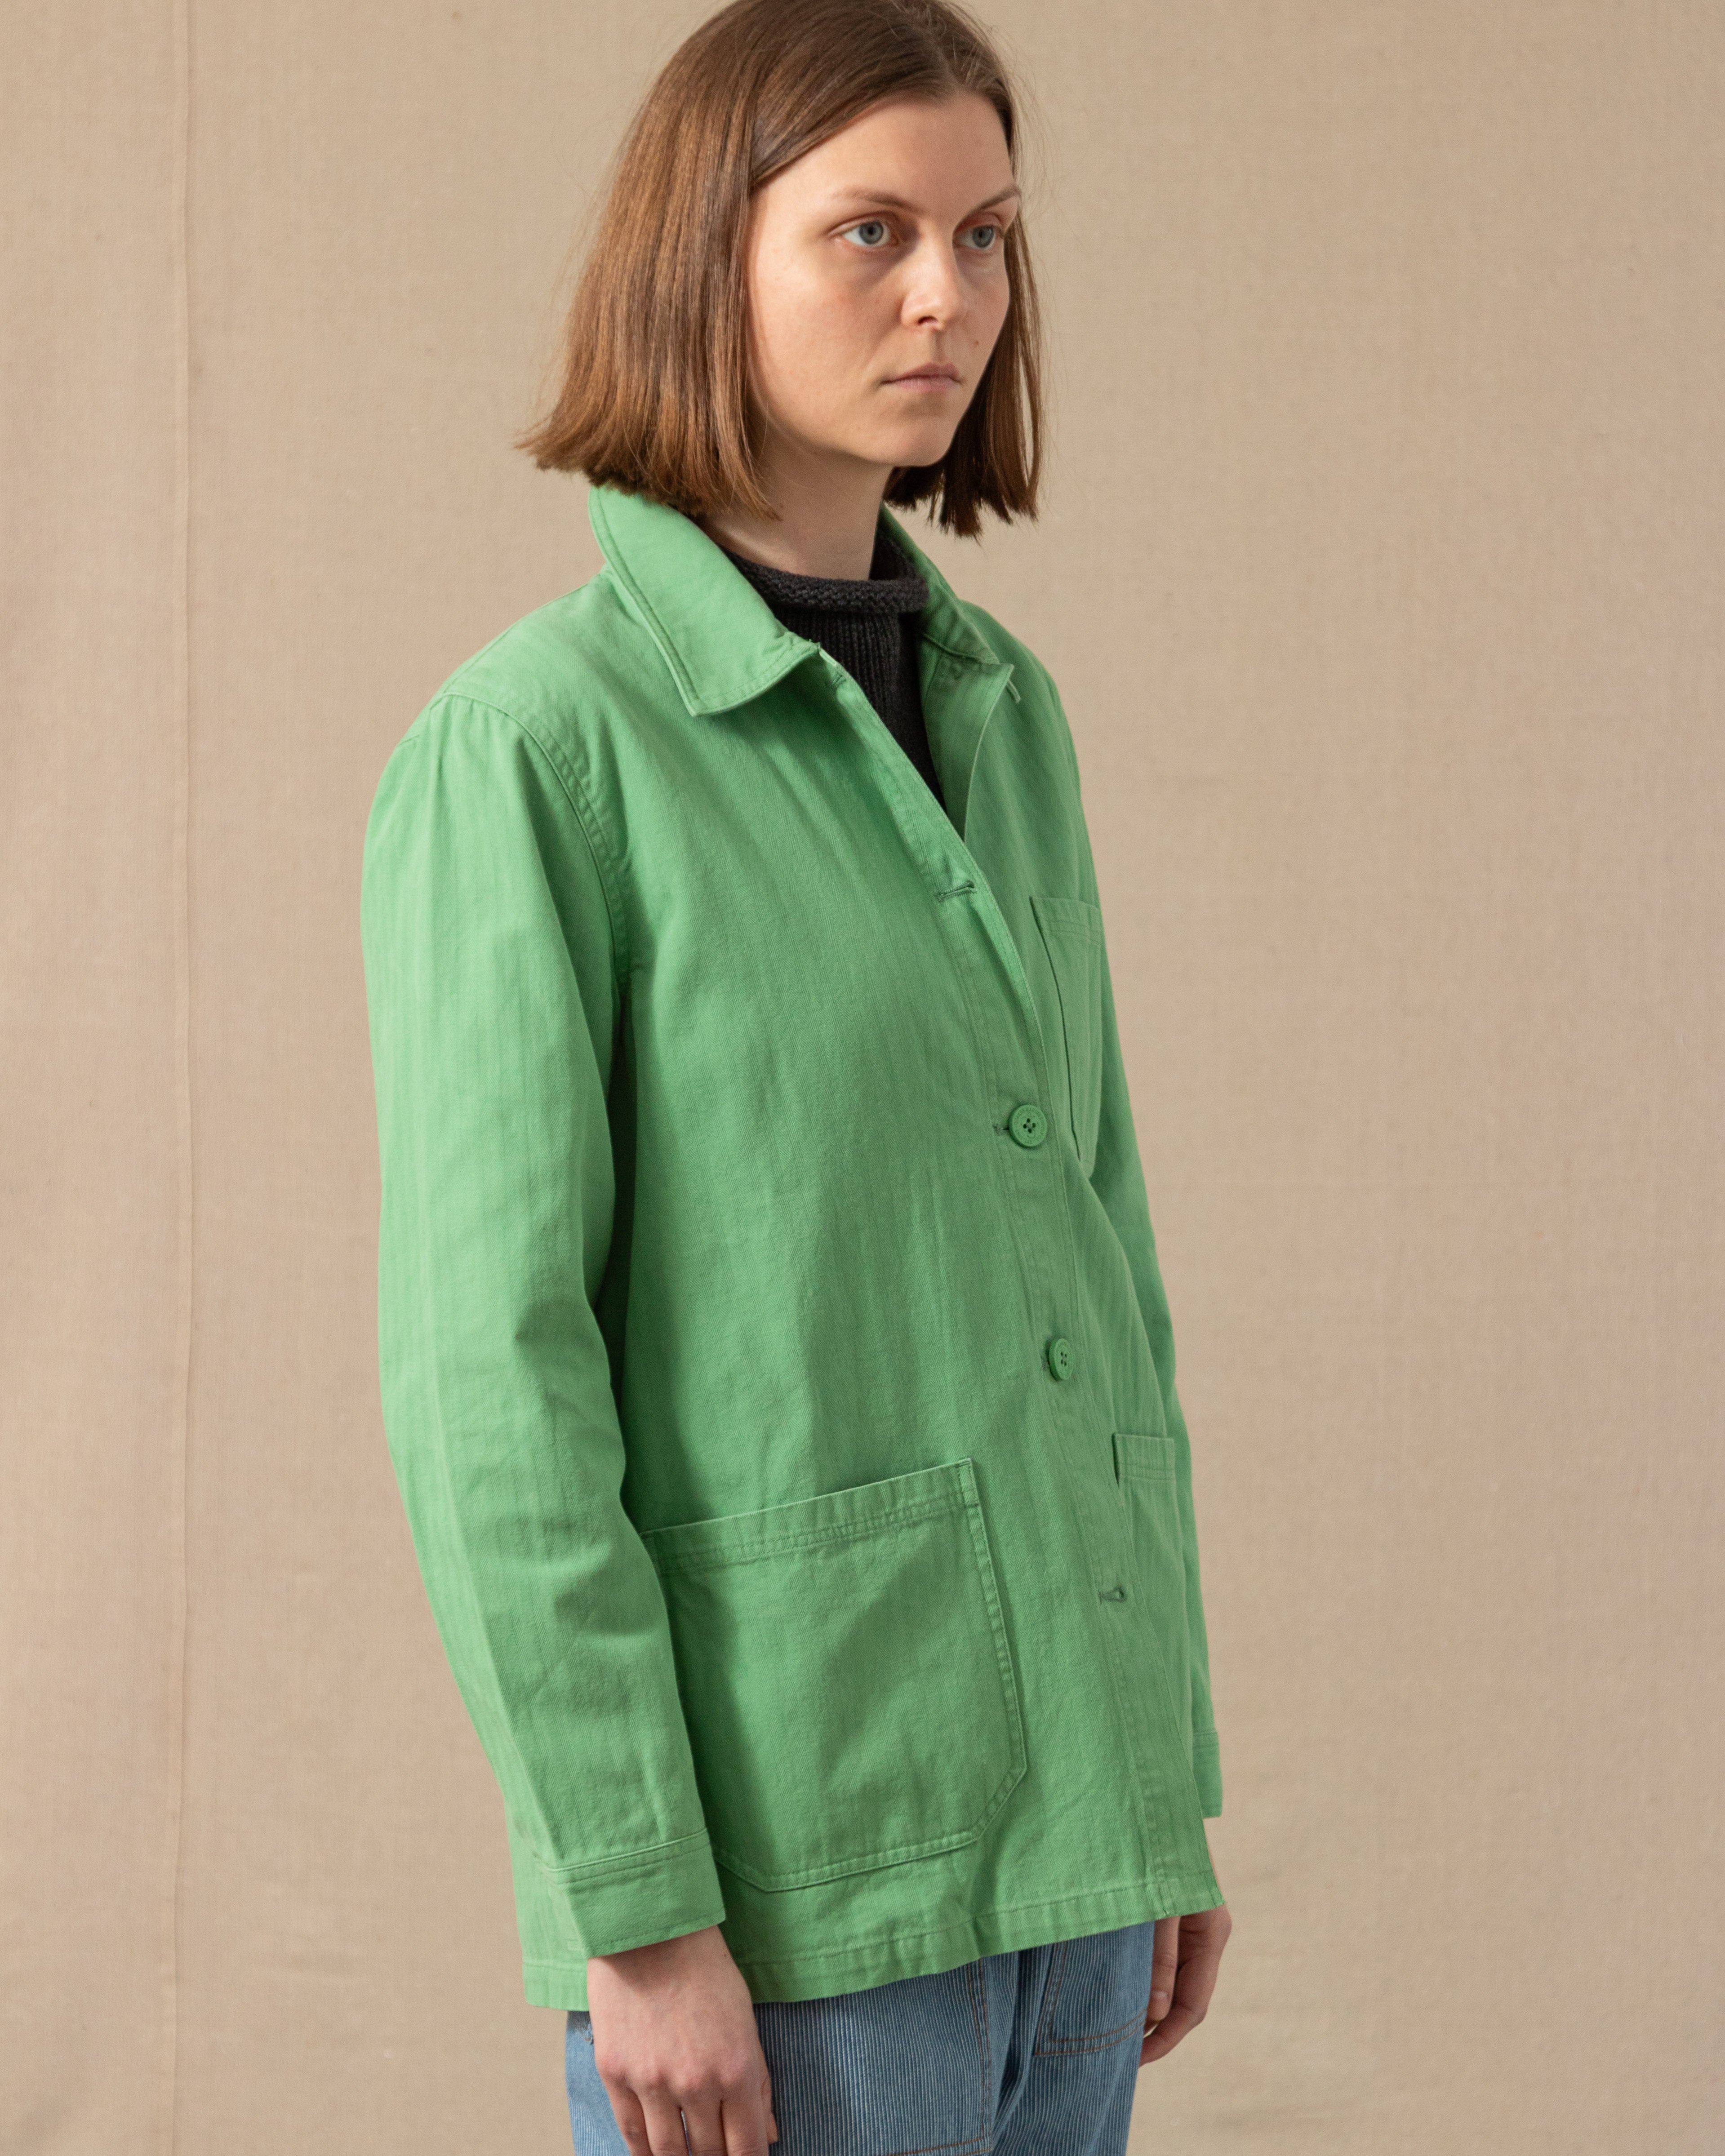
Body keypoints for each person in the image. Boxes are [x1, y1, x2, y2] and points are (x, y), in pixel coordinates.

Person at [359, 0, 1232, 2147]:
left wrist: (1158, 1786)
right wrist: (634, 1906)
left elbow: (1098, 1253)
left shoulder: (1005, 715)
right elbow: (492, 1376)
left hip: (1077, 1873)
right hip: (785, 1897)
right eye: (872, 233)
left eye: (988, 235)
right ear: (706, 257)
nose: (951, 296)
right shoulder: (536, 750)